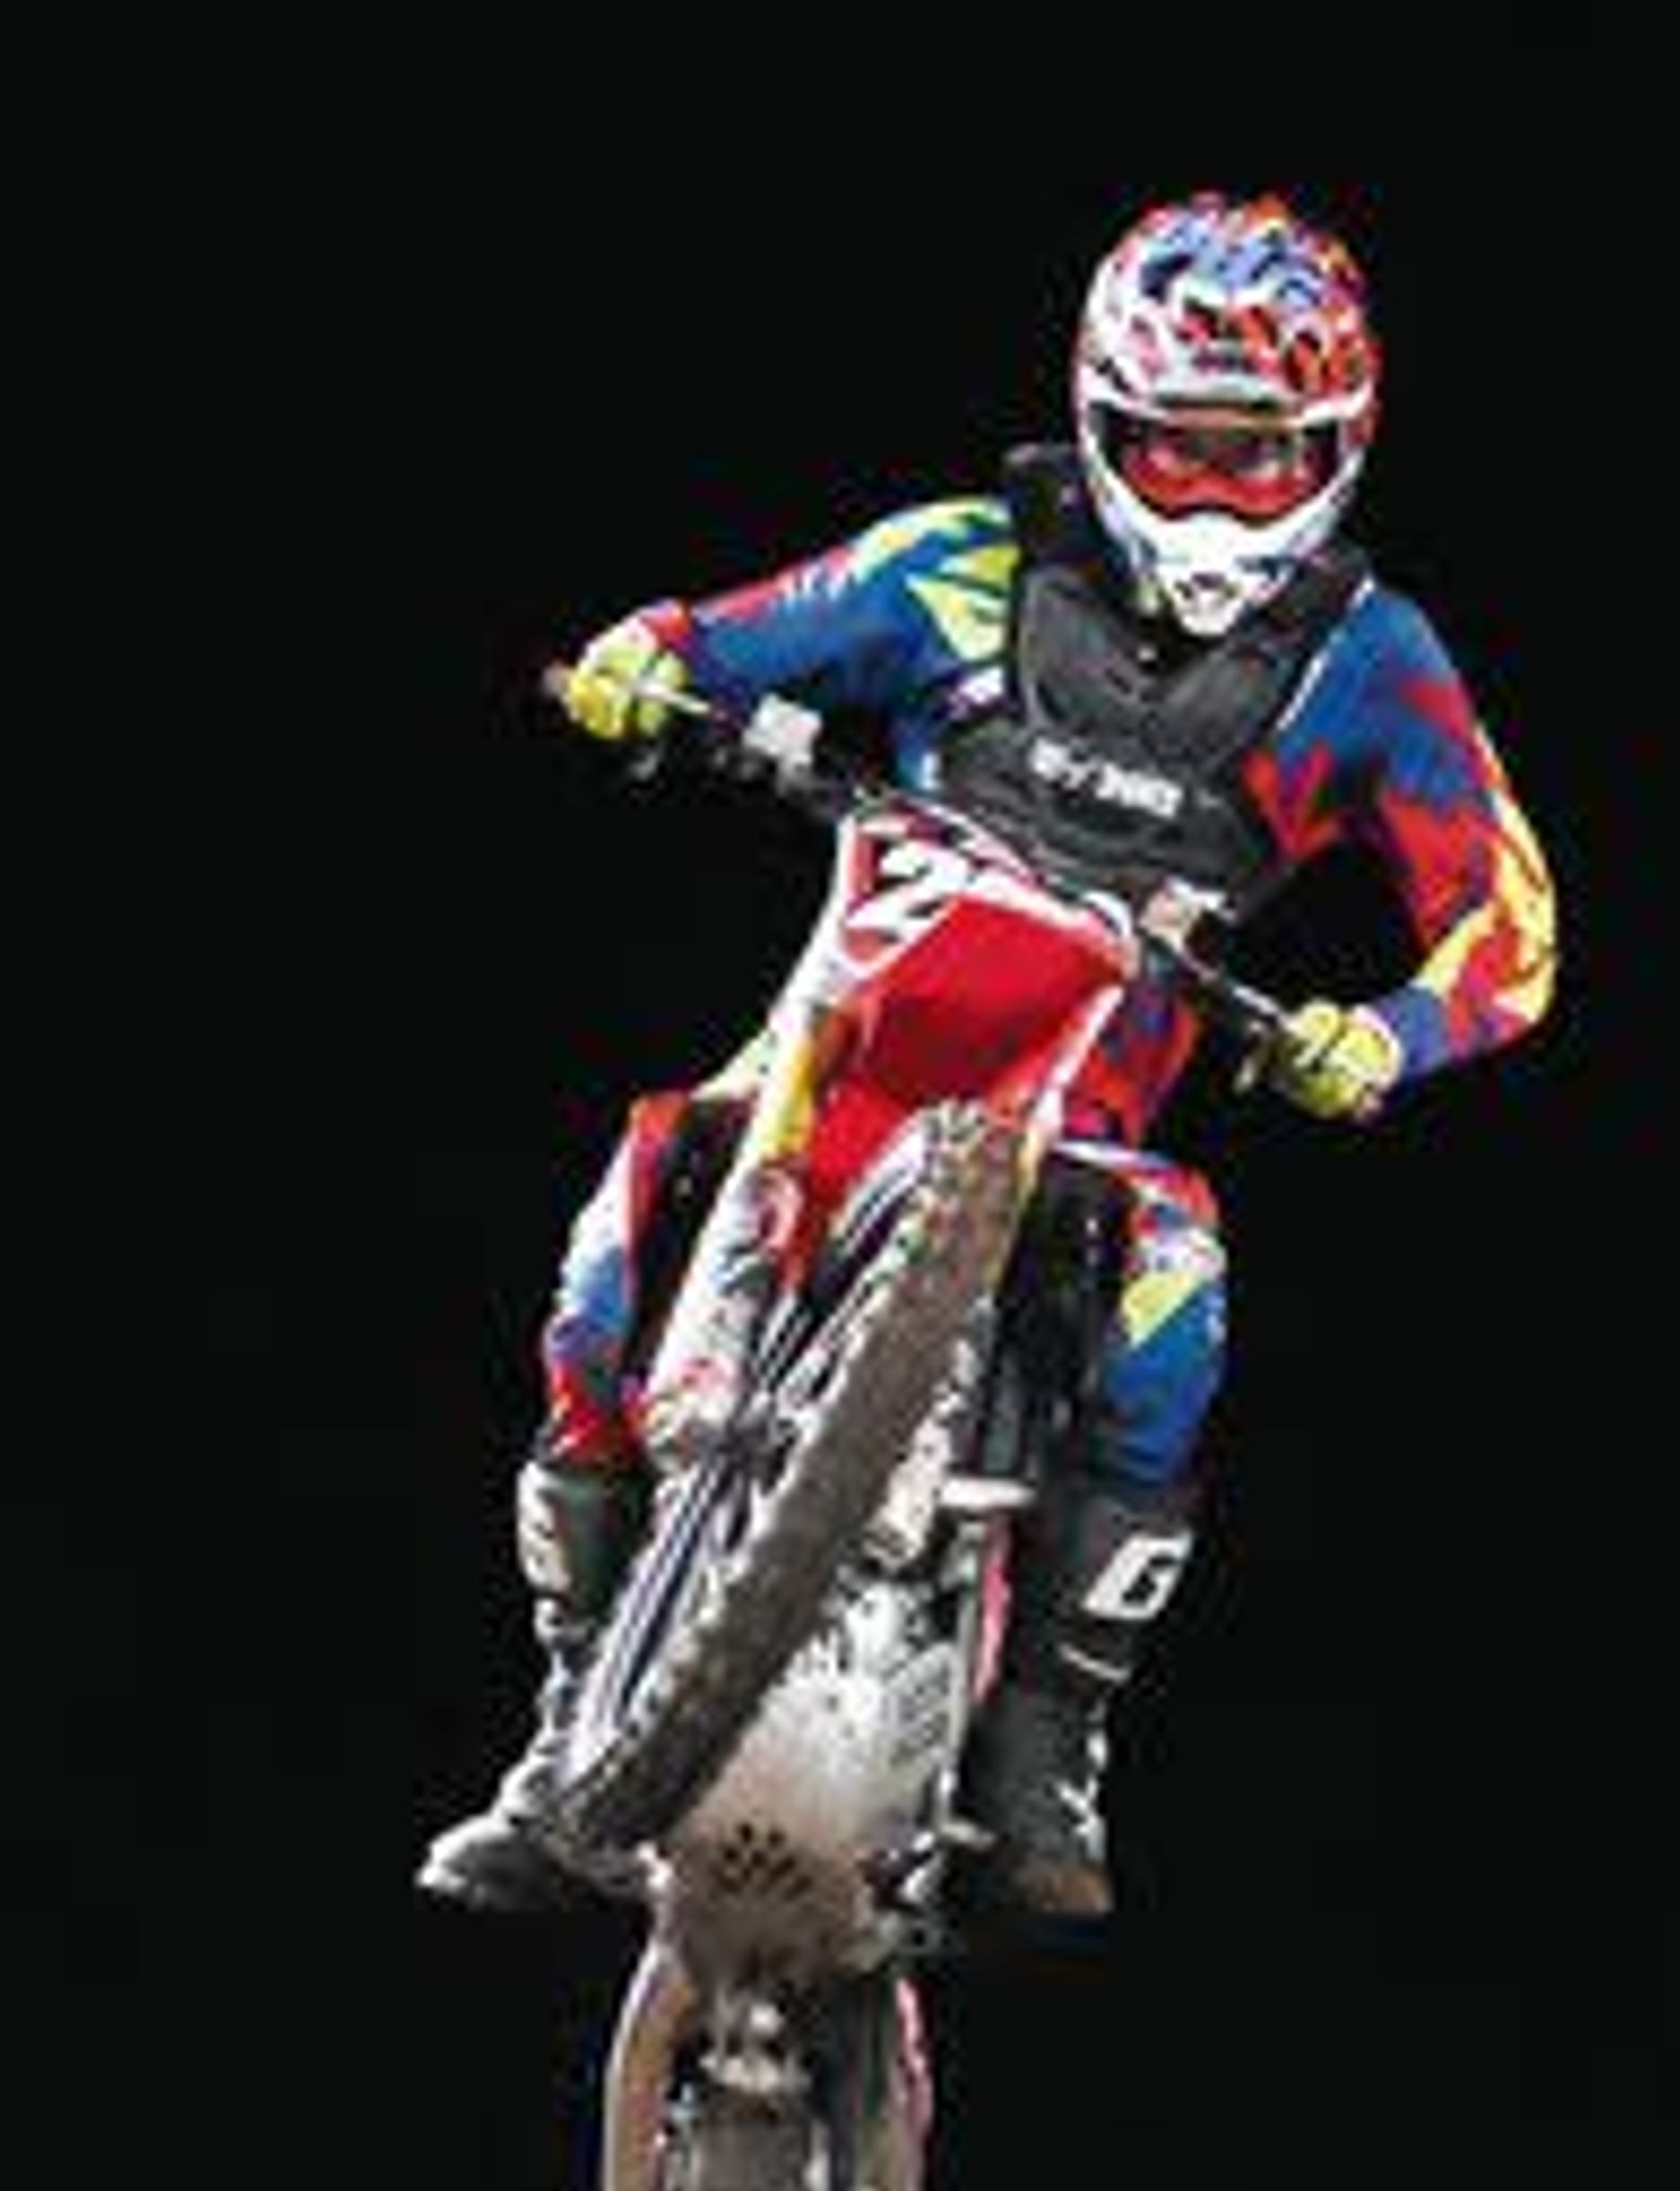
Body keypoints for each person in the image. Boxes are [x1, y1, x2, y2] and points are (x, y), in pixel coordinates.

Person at [424, 189, 1559, 1923]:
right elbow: (722, 634)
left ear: (1336, 450)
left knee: (1177, 1278)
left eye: (1256, 460)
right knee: (628, 1213)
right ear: (1100, 422)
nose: (1208, 493)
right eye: (1170, 449)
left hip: (1088, 1100)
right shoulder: (960, 556)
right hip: (842, 1025)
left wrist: (1382, 1038)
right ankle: (568, 1705)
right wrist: (636, 664)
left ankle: (1050, 1746)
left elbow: (1510, 916)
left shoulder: (1368, 662)